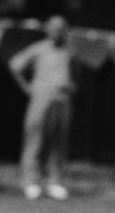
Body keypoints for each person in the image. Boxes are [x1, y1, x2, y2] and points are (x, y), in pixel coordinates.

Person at [8, 15, 75, 201]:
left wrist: (71, 85)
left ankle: (55, 182)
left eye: (61, 28)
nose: (57, 31)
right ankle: (31, 182)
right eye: (53, 27)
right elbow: (15, 65)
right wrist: (27, 88)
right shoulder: (39, 48)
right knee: (35, 139)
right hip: (41, 99)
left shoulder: (69, 50)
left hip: (62, 100)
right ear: (47, 29)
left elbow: (74, 74)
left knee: (59, 143)